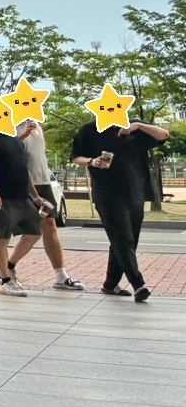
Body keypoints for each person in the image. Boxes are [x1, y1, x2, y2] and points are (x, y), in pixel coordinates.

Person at [71, 115, 168, 301]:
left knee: (127, 241)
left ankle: (110, 284)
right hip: (106, 194)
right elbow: (76, 156)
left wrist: (138, 126)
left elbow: (163, 135)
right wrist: (91, 161)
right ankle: (138, 284)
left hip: (135, 192)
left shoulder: (135, 126)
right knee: (123, 239)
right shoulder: (88, 130)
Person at [0, 120, 84, 291]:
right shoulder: (6, 124)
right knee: (5, 228)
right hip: (18, 183)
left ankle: (60, 275)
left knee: (49, 224)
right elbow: (1, 152)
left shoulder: (36, 123)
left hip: (42, 181)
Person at [0, 121, 55, 298]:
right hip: (0, 196)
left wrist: (35, 196)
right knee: (3, 236)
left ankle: (9, 266)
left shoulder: (14, 140)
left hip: (22, 195)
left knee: (34, 232)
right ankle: (5, 281)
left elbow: (24, 169)